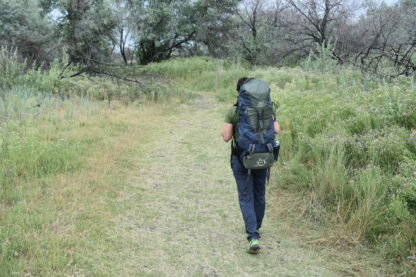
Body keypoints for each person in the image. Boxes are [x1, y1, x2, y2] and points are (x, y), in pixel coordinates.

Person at [221, 77, 280, 254]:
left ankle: (253, 236)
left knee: (246, 196)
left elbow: (226, 137)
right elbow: (276, 129)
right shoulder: (268, 108)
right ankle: (256, 225)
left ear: (239, 92)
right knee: (259, 192)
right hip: (263, 156)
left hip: (243, 158)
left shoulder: (234, 111)